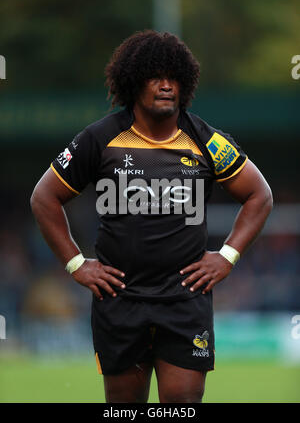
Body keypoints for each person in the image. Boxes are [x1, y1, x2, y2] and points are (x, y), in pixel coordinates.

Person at [30, 30, 273, 403]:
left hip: (185, 300)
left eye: (173, 78)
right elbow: (44, 198)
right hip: (119, 300)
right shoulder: (100, 139)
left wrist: (227, 256)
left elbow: (259, 195)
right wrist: (76, 264)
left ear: (185, 83)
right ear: (133, 82)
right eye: (154, 77)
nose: (166, 86)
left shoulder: (206, 140)